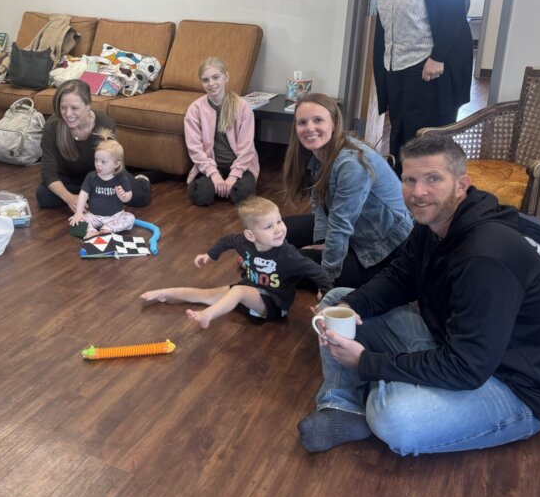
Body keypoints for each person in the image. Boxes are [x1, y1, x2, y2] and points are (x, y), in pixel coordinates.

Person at [297, 134, 540, 456]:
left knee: (394, 418)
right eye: (409, 180)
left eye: (433, 179)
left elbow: (467, 368)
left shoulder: (485, 259)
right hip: (452, 343)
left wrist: (368, 363)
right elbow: (401, 279)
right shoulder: (433, 223)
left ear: (461, 185)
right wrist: (353, 305)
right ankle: (343, 406)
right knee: (335, 303)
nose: (418, 192)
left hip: (516, 387)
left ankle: (381, 386)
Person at [374, 0, 473, 166]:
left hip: (427, 69)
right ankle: (400, 196)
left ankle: (426, 201)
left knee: (424, 144)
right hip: (396, 66)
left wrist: (438, 57)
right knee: (401, 138)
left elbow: (454, 11)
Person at [140, 196, 333, 329]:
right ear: (250, 234)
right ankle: (165, 294)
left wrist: (326, 296)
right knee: (207, 294)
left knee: (237, 291)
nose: (279, 229)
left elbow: (317, 271)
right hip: (250, 289)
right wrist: (210, 255)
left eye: (279, 221)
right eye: (268, 226)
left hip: (274, 304)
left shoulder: (288, 255)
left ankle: (207, 315)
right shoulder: (243, 242)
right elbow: (227, 241)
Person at [282, 93, 412, 288]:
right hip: (356, 231)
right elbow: (319, 205)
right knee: (275, 229)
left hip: (384, 250)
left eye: (318, 120)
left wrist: (326, 274)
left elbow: (341, 224)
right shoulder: (319, 154)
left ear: (334, 123)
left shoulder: (352, 163)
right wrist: (322, 242)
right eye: (302, 122)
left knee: (283, 263)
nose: (309, 128)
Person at [36, 79, 151, 211]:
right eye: (63, 107)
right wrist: (69, 198)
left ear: (88, 105)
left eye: (74, 108)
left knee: (140, 198)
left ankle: (142, 178)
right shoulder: (52, 126)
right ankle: (89, 195)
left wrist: (97, 190)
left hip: (101, 175)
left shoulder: (104, 124)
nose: (68, 114)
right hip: (69, 180)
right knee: (43, 196)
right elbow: (48, 173)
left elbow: (109, 166)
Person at [184, 57, 259, 206]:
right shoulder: (195, 109)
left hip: (239, 165)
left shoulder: (242, 107)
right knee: (201, 196)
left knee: (244, 195)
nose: (211, 84)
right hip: (211, 165)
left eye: (216, 77)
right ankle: (219, 188)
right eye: (205, 80)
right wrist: (213, 173)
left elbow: (247, 148)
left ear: (226, 76)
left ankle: (222, 189)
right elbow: (194, 148)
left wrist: (233, 176)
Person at [69, 136, 135, 238]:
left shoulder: (121, 177)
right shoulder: (91, 177)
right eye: (96, 160)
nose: (98, 164)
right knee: (76, 221)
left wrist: (124, 196)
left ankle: (107, 229)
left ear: (116, 164)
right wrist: (78, 212)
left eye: (103, 162)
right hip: (94, 216)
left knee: (130, 218)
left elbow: (129, 196)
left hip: (115, 216)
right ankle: (91, 232)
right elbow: (83, 194)